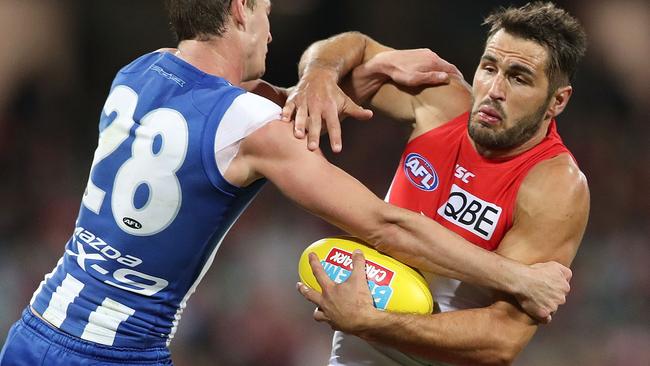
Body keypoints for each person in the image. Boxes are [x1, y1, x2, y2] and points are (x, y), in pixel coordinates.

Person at [0, 1, 572, 365]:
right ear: (242, 9)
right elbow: (384, 223)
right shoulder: (253, 128)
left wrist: (319, 80)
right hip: (116, 351)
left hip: (34, 327)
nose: (272, 30)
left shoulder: (139, 71)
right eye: (269, 13)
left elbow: (232, 109)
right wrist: (519, 279)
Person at [292, 2, 590, 365]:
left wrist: (373, 323)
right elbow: (354, 46)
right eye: (489, 67)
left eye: (518, 77)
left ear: (557, 101)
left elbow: (501, 341)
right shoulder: (442, 100)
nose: (494, 89)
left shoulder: (555, 186)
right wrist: (320, 72)